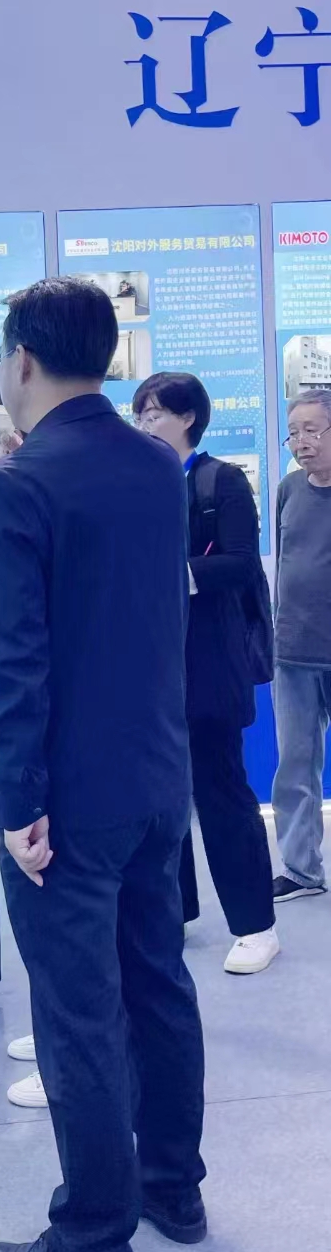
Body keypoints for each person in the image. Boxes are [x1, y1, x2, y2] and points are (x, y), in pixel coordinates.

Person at [0, 278, 205, 1252]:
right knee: (158, 985)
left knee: (78, 1017)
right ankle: (174, 1189)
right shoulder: (159, 466)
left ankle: (94, 1245)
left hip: (65, 805)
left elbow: (13, 663)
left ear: (22, 360)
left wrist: (18, 804)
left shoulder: (18, 486)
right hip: (157, 781)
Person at [132, 372, 279, 974]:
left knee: (221, 792)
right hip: (153, 666)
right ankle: (176, 912)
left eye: (155, 414)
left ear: (189, 417)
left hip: (212, 662)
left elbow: (241, 563)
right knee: (164, 799)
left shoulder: (221, 480)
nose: (145, 425)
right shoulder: (141, 482)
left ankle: (255, 925)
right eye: (139, 415)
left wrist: (174, 574)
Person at [270, 387, 331, 902]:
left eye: (312, 430)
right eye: (293, 433)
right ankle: (301, 869)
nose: (301, 441)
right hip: (292, 652)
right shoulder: (289, 489)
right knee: (294, 765)